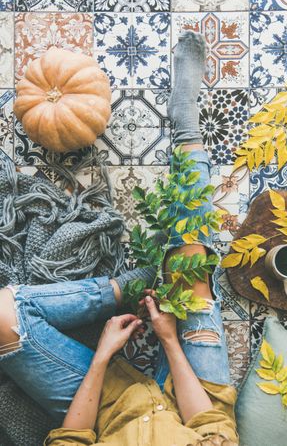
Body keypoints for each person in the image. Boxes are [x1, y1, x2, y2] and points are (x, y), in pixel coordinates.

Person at [0, 31, 239, 446]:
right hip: (196, 399)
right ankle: (186, 129)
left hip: (105, 408)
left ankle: (119, 288)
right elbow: (213, 430)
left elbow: (71, 437)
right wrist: (168, 339)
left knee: (3, 317)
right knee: (191, 262)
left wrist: (103, 355)